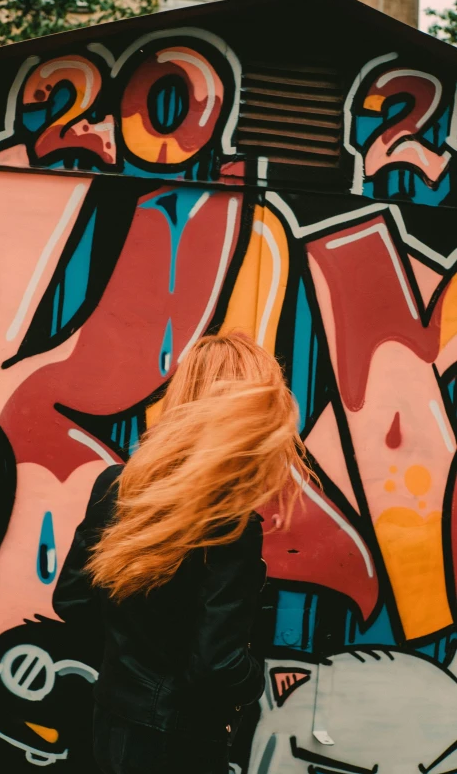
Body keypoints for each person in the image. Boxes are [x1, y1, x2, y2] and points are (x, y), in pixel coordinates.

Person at [53, 332, 310, 774]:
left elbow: (72, 601)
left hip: (111, 720)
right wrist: (254, 680)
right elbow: (217, 664)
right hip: (180, 741)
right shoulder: (229, 523)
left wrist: (131, 657)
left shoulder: (116, 486)